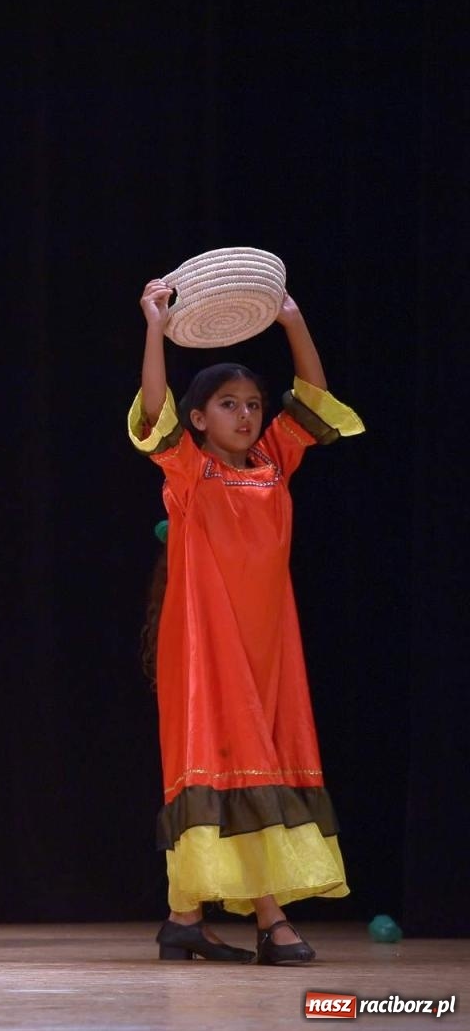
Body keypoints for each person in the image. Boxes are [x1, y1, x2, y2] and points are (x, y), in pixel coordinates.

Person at [131, 279, 364, 965]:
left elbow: (314, 398)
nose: (245, 415)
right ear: (199, 419)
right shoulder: (189, 469)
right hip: (205, 641)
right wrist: (154, 327)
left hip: (267, 642)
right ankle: (270, 919)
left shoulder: (274, 463)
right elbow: (153, 408)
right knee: (223, 754)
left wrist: (292, 318)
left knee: (258, 754)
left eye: (253, 405)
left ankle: (184, 917)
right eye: (228, 405)